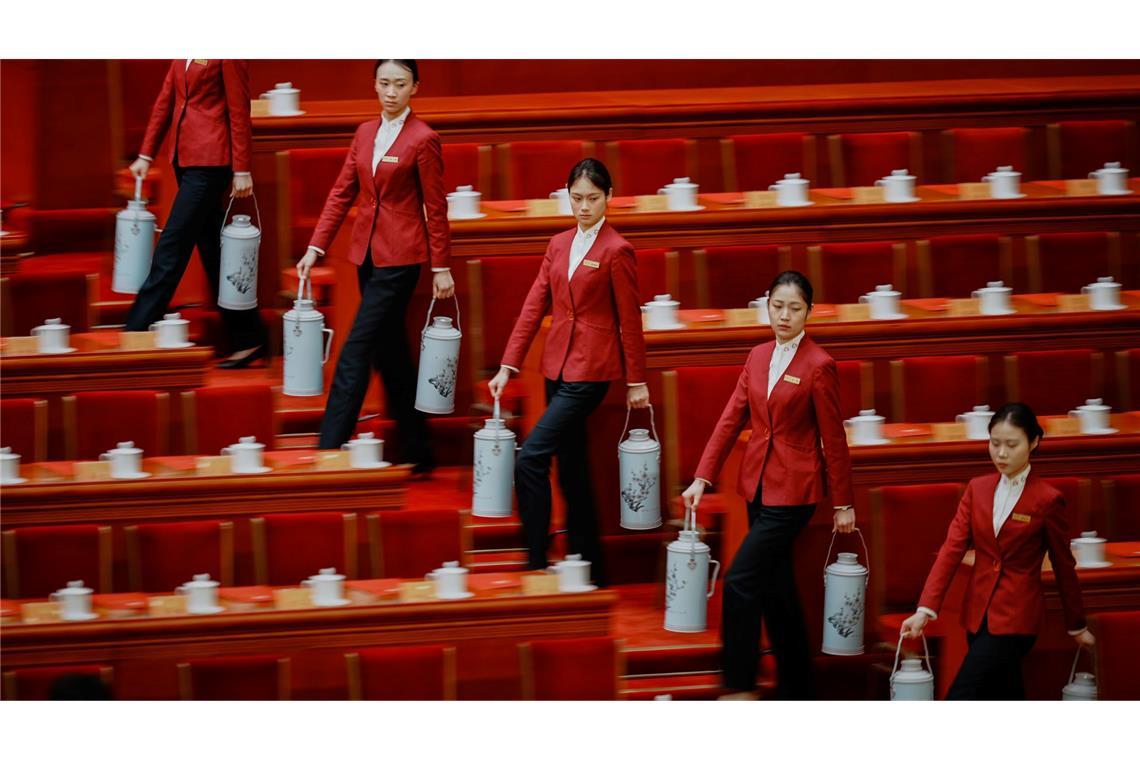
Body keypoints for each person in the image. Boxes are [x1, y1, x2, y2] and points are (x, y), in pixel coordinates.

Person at [680, 270, 853, 699]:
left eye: (795, 308)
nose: (785, 315)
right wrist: (703, 475)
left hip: (794, 492)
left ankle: (737, 685)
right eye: (778, 306)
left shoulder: (819, 364)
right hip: (756, 485)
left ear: (809, 312)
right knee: (777, 589)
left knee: (740, 580)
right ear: (767, 305)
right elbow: (729, 419)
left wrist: (843, 503)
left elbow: (834, 439)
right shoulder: (757, 356)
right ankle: (799, 687)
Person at [488, 158, 647, 588]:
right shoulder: (558, 244)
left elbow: (629, 320)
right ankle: (590, 566)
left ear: (609, 198)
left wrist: (636, 381)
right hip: (556, 364)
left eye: (592, 199)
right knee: (573, 469)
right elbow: (533, 305)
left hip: (591, 370)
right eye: (576, 198)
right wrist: (509, 364)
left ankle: (537, 561)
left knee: (532, 458)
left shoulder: (617, 249)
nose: (583, 207)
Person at [296, 60, 453, 472]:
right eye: (384, 83)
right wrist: (316, 247)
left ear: (415, 87)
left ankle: (328, 449)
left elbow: (435, 208)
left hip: (401, 258)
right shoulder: (365, 132)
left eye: (400, 84)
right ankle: (419, 451)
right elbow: (340, 193)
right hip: (366, 254)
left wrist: (441, 267)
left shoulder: (424, 138)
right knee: (391, 352)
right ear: (374, 85)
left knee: (355, 350)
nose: (391, 92)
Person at [900, 402, 1093, 699]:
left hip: (1017, 619)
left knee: (962, 695)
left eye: (1011, 445)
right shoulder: (977, 488)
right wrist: (925, 610)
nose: (1001, 453)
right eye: (995, 443)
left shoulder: (1047, 499)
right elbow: (951, 549)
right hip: (977, 616)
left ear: (1034, 443)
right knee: (1004, 695)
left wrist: (1076, 624)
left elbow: (1063, 565)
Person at [126, 58, 266, 368]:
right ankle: (249, 338)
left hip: (211, 162)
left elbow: (239, 111)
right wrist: (146, 154)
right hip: (183, 158)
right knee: (214, 253)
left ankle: (134, 332)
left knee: (171, 247)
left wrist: (242, 168)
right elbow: (166, 100)